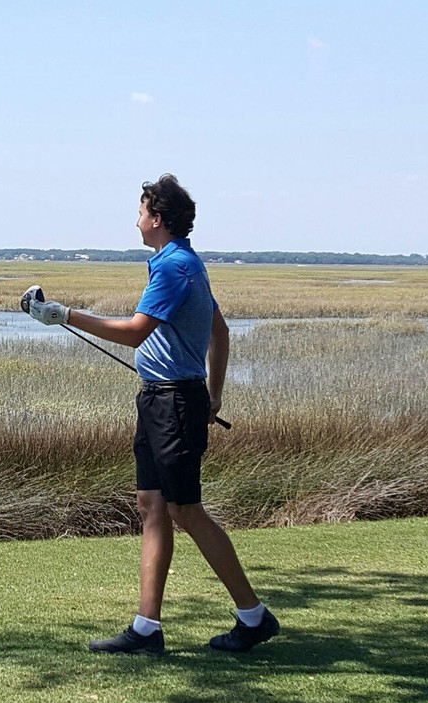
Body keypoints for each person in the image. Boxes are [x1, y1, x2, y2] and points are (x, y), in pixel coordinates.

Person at [24, 174, 278, 654]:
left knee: (185, 509)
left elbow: (137, 332)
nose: (136, 219)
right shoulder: (180, 263)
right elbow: (219, 332)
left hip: (174, 403)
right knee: (153, 507)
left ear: (156, 219)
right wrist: (215, 394)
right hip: (163, 399)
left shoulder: (174, 268)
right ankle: (147, 630)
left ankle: (254, 617)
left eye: (141, 211)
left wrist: (62, 314)